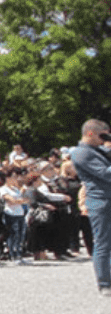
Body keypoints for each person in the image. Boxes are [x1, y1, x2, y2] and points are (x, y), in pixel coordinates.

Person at [69, 118, 111, 296]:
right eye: (103, 135)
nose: (105, 139)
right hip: (100, 201)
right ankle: (104, 282)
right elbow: (106, 174)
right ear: (90, 133)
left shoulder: (97, 150)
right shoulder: (81, 153)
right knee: (102, 242)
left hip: (106, 199)